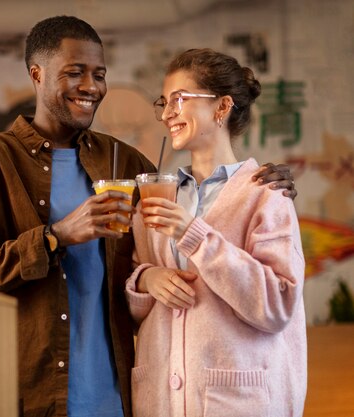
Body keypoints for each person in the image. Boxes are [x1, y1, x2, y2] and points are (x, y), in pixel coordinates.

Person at [0, 17, 296, 417]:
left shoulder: (126, 162)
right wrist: (56, 236)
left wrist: (271, 180)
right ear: (37, 75)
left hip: (121, 399)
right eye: (74, 72)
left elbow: (166, 236)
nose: (92, 87)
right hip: (29, 396)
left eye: (99, 74)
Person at [125, 48, 306, 417]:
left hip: (238, 402)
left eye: (180, 99)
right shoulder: (159, 193)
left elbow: (278, 304)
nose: (166, 114)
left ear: (221, 107)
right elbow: (129, 291)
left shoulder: (266, 195)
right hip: (159, 401)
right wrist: (147, 278)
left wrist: (194, 234)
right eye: (165, 102)